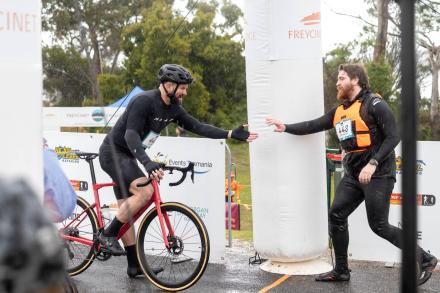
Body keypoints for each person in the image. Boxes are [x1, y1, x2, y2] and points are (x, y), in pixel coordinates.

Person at [266, 63, 437, 285]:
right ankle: (341, 270)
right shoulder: (340, 110)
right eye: (338, 78)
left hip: (378, 174)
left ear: (355, 80)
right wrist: (285, 127)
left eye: (342, 78)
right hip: (353, 174)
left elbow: (393, 137)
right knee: (336, 215)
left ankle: (425, 259)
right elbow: (313, 124)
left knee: (379, 225)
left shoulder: (374, 104)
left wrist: (373, 163)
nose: (338, 82)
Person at [98, 64, 258, 278]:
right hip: (113, 152)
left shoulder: (173, 108)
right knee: (145, 193)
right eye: (182, 88)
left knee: (127, 209)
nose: (185, 92)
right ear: (168, 85)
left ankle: (134, 265)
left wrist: (230, 133)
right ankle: (108, 235)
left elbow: (198, 126)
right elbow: (131, 136)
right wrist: (148, 163)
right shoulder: (144, 101)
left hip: (129, 156)